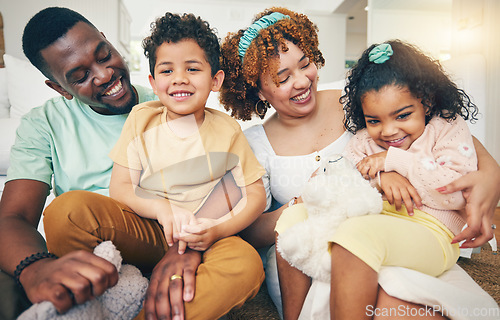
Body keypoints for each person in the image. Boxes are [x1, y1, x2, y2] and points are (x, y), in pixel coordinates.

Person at [219, 6, 500, 320]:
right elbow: (249, 229)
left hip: (396, 225)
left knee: (398, 303)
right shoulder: (255, 142)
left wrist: (491, 173)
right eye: (283, 78)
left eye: (306, 64)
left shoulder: (356, 98)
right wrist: (309, 202)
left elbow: (438, 131)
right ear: (257, 89)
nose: (301, 82)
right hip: (324, 241)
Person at [0, 7, 264, 320]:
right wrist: (35, 269)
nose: (104, 75)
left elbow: (239, 183)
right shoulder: (51, 123)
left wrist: (190, 244)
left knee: (244, 263)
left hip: (194, 231)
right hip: (118, 233)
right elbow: (13, 216)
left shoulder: (180, 107)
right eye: (80, 76)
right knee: (65, 210)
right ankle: (95, 297)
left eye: (104, 55)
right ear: (60, 88)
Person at [332, 39, 478, 319]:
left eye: (402, 115)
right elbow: (340, 183)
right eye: (374, 120)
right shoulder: (363, 141)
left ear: (427, 100)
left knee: (353, 237)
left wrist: (393, 162)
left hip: (435, 233)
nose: (388, 131)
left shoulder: (446, 127)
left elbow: (457, 192)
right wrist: (381, 179)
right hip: (382, 225)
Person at [109, 12, 266, 256]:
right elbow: (120, 188)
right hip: (148, 227)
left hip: (205, 234)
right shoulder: (141, 118)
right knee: (71, 210)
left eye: (192, 69)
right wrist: (160, 209)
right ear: (153, 82)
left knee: (244, 261)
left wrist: (217, 229)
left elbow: (255, 194)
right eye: (167, 71)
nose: (180, 79)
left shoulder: (228, 130)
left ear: (215, 80)